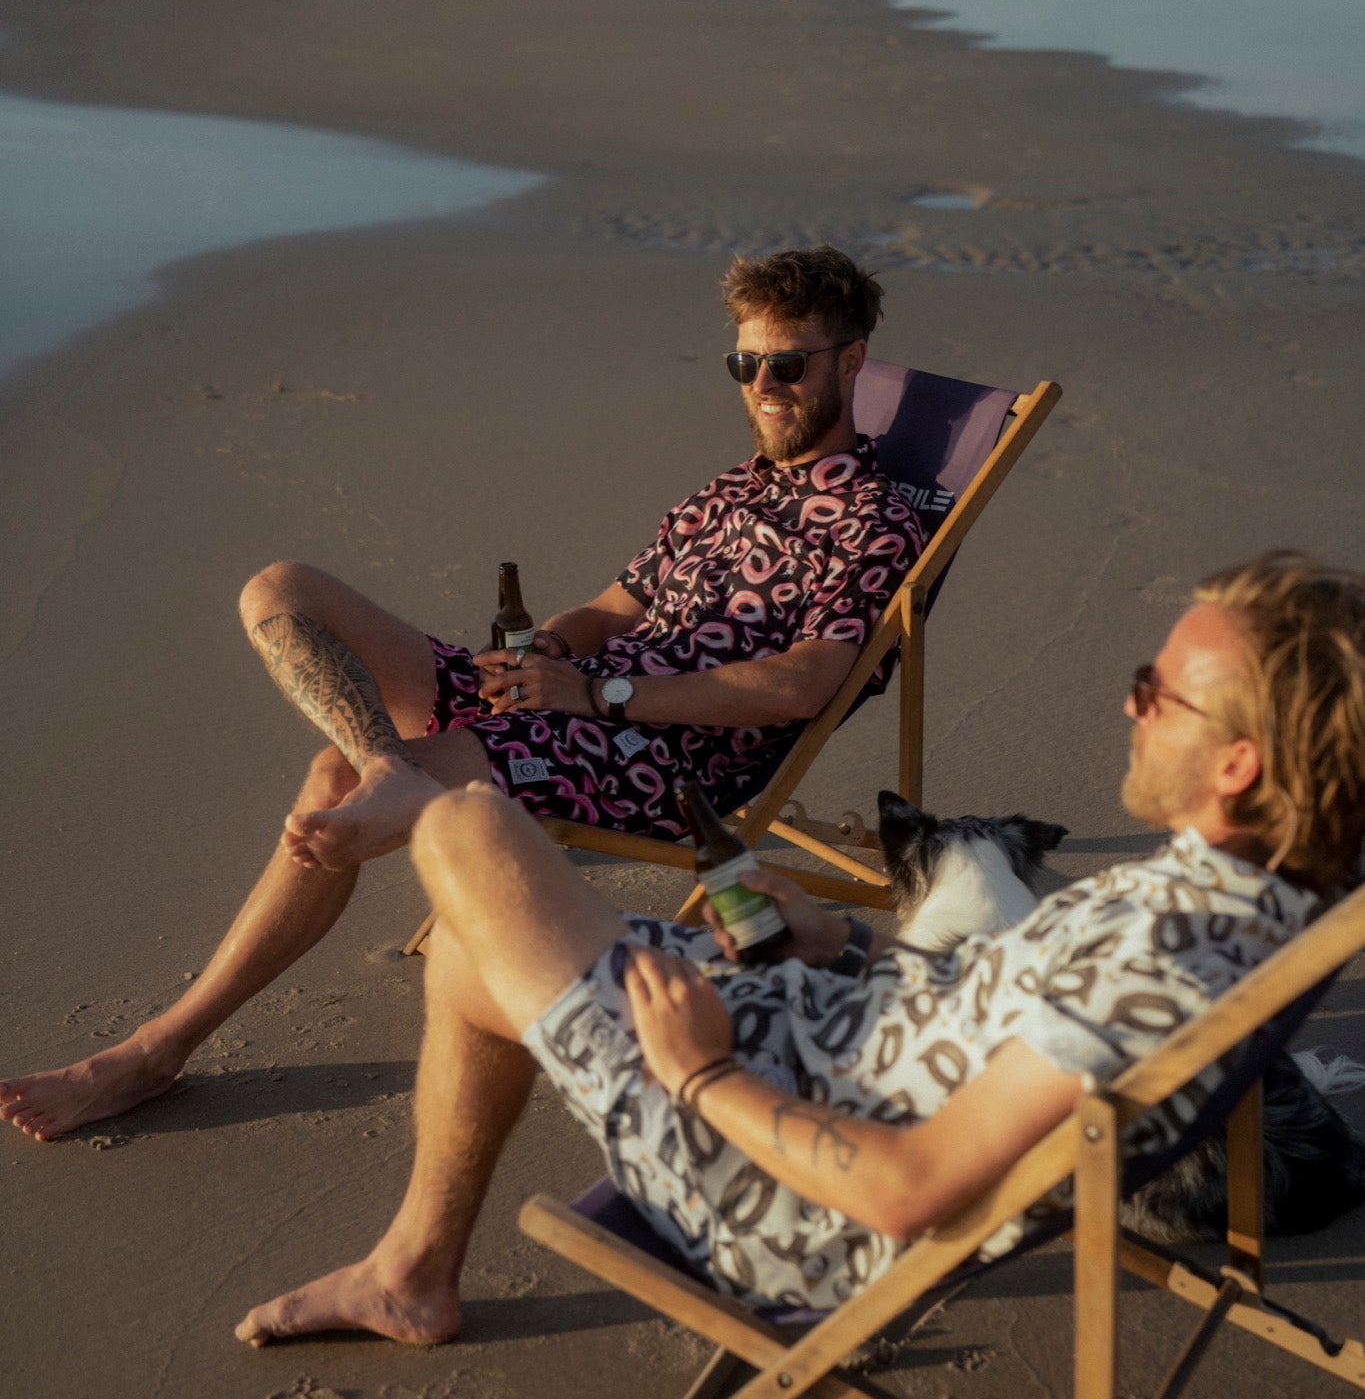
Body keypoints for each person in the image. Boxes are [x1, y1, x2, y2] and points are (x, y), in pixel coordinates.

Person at [233, 551, 1365, 1345]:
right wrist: (846, 944)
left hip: (776, 1198)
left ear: (1239, 768)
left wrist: (704, 1071)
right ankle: (412, 1276)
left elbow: (907, 1191)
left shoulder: (1166, 957)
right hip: (828, 1039)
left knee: (466, 827)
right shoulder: (1244, 896)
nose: (1131, 708)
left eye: (1157, 694)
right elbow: (994, 1019)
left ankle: (396, 790)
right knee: (472, 957)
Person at [2, 247, 925, 1142]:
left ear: (850, 362)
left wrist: (595, 693)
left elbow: (800, 687)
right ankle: (387, 768)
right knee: (281, 590)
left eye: (788, 364)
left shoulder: (872, 520)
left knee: (331, 784)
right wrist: (551, 651)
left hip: (658, 758)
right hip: (570, 701)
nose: (763, 384)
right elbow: (613, 607)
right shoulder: (726, 492)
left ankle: (156, 1049)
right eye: (745, 362)